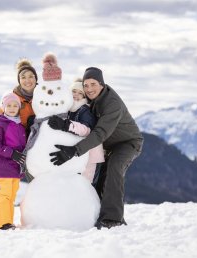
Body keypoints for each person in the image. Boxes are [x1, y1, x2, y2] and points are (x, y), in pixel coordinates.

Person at [49, 67, 143, 229]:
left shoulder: (112, 104)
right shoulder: (90, 100)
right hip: (106, 145)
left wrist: (74, 151)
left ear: (101, 84)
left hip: (128, 143)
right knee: (100, 178)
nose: (89, 89)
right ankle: (97, 213)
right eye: (86, 85)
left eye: (93, 84)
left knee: (114, 168)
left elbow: (100, 132)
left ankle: (113, 219)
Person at [0, 58, 38, 229]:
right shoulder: (12, 99)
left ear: (36, 79)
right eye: (23, 77)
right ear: (19, 81)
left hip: (30, 147)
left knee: (13, 190)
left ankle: (39, 217)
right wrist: (9, 151)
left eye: (31, 77)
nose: (28, 80)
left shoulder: (41, 96)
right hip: (10, 153)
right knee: (2, 190)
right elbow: (0, 125)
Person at [48, 78, 104, 182]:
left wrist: (67, 125)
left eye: (80, 93)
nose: (76, 95)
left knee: (86, 186)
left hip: (91, 157)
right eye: (74, 91)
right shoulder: (68, 108)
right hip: (77, 154)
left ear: (84, 97)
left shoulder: (84, 110)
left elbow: (86, 130)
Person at [0, 92, 26, 230]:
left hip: (15, 169)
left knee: (11, 196)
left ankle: (8, 222)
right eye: (8, 105)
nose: (11, 108)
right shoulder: (0, 124)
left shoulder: (20, 126)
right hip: (3, 168)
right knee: (3, 196)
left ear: (19, 107)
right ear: (3, 107)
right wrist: (12, 153)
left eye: (15, 105)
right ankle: (3, 224)